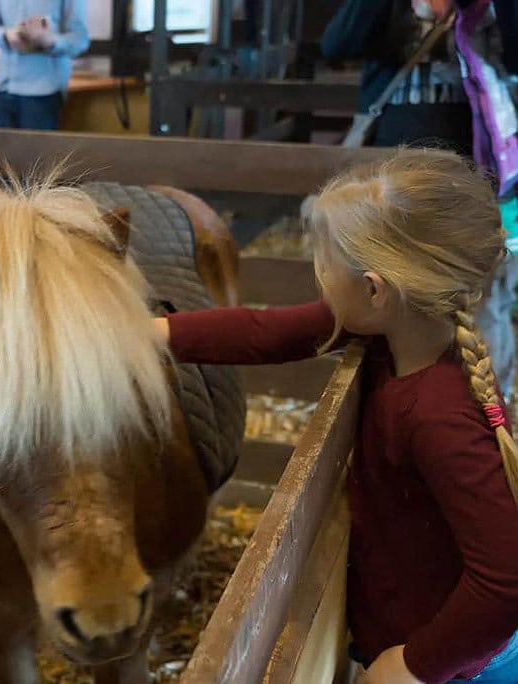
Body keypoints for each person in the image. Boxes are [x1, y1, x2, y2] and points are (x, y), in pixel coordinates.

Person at [154, 150, 518, 684]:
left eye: (323, 263)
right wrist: (154, 334)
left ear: (374, 289)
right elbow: (267, 332)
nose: (318, 276)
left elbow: (508, 579)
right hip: (430, 634)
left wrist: (414, 665)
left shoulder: (439, 416)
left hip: (460, 664)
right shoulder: (393, 332)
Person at [321, 0, 518, 400]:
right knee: (389, 296)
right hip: (394, 179)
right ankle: (395, 405)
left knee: (482, 300)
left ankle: (487, 413)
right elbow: (337, 43)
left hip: (477, 178)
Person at [0, 0, 89, 130]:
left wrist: (49, 40)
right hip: (3, 87)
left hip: (43, 91)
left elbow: (80, 39)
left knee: (37, 150)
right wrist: (5, 35)